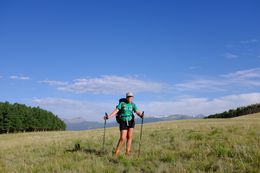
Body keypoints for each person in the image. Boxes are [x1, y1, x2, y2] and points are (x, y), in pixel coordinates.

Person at [104, 92, 144, 158]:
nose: (130, 98)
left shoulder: (133, 105)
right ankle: (116, 153)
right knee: (123, 138)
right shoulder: (122, 104)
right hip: (123, 121)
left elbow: (137, 111)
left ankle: (127, 152)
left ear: (133, 97)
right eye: (128, 96)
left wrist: (141, 115)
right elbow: (116, 111)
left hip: (131, 121)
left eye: (131, 96)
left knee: (129, 137)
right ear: (126, 97)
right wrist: (108, 116)